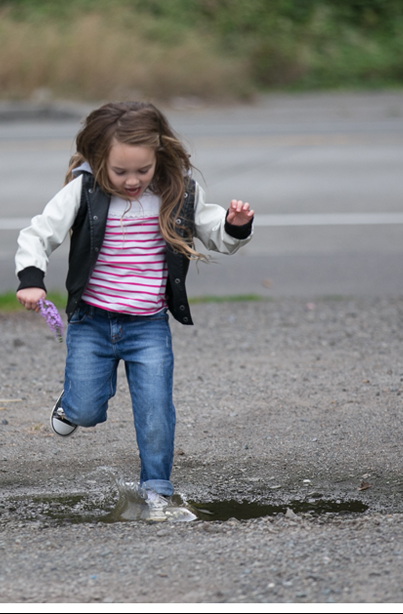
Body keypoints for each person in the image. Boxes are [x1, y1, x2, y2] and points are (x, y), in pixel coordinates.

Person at [15, 101, 254, 518]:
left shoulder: (177, 192)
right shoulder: (84, 189)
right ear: (97, 159)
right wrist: (32, 280)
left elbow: (217, 234)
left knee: (156, 407)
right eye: (119, 172)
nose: (131, 181)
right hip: (92, 321)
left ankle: (156, 489)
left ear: (158, 157)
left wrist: (234, 226)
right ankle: (72, 404)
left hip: (148, 326)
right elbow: (39, 233)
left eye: (141, 171)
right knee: (86, 408)